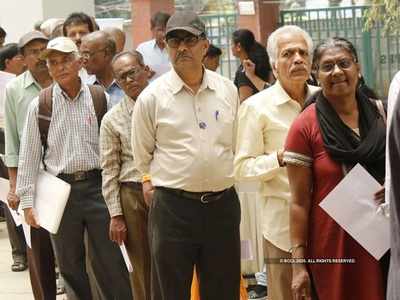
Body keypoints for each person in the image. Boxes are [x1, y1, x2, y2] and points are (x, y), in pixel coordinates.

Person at [132, 11, 241, 300]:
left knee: (223, 290)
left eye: (189, 40)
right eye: (174, 41)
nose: (181, 47)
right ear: (167, 47)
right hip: (172, 209)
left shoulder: (227, 91)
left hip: (222, 207)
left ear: (204, 46)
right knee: (170, 291)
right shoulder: (152, 98)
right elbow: (142, 154)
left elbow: (235, 144)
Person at [15, 36, 133, 300]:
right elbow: (29, 156)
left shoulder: (99, 97)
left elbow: (117, 147)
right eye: (53, 62)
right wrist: (27, 201)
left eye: (66, 60)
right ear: (49, 68)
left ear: (80, 62)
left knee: (111, 262)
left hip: (98, 188)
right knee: (69, 265)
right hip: (60, 193)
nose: (60, 67)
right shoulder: (41, 105)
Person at [284, 37, 388, 300]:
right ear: (315, 75)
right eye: (327, 67)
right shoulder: (304, 126)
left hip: (384, 241)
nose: (338, 72)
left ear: (358, 68)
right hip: (334, 248)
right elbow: (298, 202)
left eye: (344, 63)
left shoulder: (382, 115)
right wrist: (298, 267)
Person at [234, 25, 318, 300]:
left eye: (303, 53)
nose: (297, 59)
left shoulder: (325, 99)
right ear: (273, 63)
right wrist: (279, 158)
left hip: (329, 223)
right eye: (288, 54)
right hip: (283, 230)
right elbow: (242, 168)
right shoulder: (256, 108)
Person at [4, 30, 56, 299]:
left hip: (62, 173)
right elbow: (12, 142)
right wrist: (14, 185)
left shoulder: (63, 81)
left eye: (42, 50)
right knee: (37, 245)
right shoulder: (15, 89)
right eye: (32, 52)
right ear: (22, 58)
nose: (39, 56)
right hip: (30, 176)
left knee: (68, 246)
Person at [100, 50, 151, 300]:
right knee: (141, 267)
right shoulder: (112, 120)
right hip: (133, 196)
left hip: (170, 192)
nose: (130, 80)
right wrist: (116, 215)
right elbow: (109, 169)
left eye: (133, 72)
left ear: (146, 70)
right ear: (117, 83)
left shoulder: (167, 106)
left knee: (175, 262)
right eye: (122, 77)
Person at [0, 43, 27, 272]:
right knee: (12, 197)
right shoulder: (8, 84)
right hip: (6, 143)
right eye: (20, 57)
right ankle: (19, 253)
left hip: (34, 145)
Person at [80, 31, 124, 108]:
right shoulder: (84, 88)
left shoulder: (129, 85)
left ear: (106, 53)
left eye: (86, 54)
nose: (83, 60)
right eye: (81, 55)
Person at [231, 29, 272, 101]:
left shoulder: (244, 71)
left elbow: (244, 102)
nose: (231, 47)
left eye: (231, 44)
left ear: (238, 47)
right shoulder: (260, 63)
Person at [136, 11, 171, 81]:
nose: (164, 34)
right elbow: (135, 72)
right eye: (160, 30)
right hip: (150, 90)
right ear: (152, 29)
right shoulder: (142, 49)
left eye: (167, 29)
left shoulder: (177, 49)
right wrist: (145, 74)